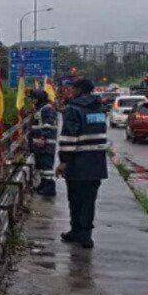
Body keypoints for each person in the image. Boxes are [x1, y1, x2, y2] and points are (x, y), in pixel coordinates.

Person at [56, 78, 108, 248]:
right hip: (97, 162)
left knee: (75, 198)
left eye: (73, 88)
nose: (71, 91)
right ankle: (85, 235)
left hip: (77, 163)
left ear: (79, 90)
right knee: (89, 200)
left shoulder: (73, 109)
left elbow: (69, 137)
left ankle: (78, 231)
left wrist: (63, 162)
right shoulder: (100, 108)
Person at [28, 89, 58, 196]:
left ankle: (49, 188)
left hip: (46, 143)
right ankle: (44, 184)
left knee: (46, 166)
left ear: (39, 98)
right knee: (41, 165)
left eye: (34, 98)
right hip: (40, 143)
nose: (33, 101)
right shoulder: (40, 109)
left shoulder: (47, 109)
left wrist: (43, 137)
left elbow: (48, 125)